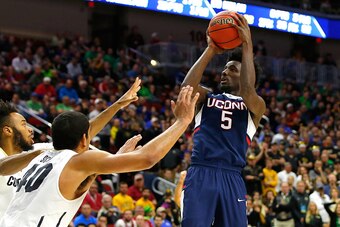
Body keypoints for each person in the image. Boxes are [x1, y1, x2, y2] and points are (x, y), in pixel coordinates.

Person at [0, 85, 199, 226]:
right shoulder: (80, 160)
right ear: (85, 140)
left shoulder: (40, 152)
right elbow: (147, 158)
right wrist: (182, 121)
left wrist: (117, 156)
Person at [0, 78, 141, 219]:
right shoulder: (31, 154)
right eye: (24, 125)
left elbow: (82, 133)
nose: (30, 130)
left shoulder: (39, 150)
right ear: (8, 131)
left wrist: (118, 105)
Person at [180, 13, 266, 226]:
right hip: (201, 171)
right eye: (225, 67)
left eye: (232, 69)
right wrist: (210, 49)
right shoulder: (207, 97)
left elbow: (247, 89)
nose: (224, 72)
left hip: (232, 176)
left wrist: (247, 46)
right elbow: (186, 89)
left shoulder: (254, 105)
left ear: (244, 73)